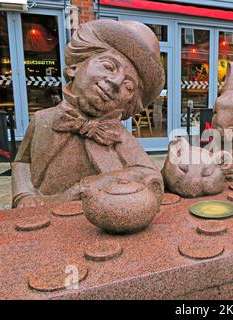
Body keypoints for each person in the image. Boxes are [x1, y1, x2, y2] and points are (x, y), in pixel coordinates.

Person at [12, 20, 165, 208]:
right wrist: (23, 195)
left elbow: (149, 174)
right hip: (40, 218)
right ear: (75, 66)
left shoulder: (114, 135)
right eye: (109, 66)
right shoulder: (42, 120)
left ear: (129, 102)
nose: (116, 82)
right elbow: (22, 162)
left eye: (128, 86)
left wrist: (98, 183)